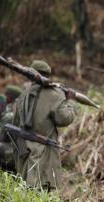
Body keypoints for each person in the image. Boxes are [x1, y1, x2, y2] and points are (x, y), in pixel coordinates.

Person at [13, 59, 75, 191]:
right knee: (45, 192)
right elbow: (64, 119)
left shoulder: (23, 95)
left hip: (24, 150)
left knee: (25, 190)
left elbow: (16, 125)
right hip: (45, 153)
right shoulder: (54, 94)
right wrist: (69, 101)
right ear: (47, 74)